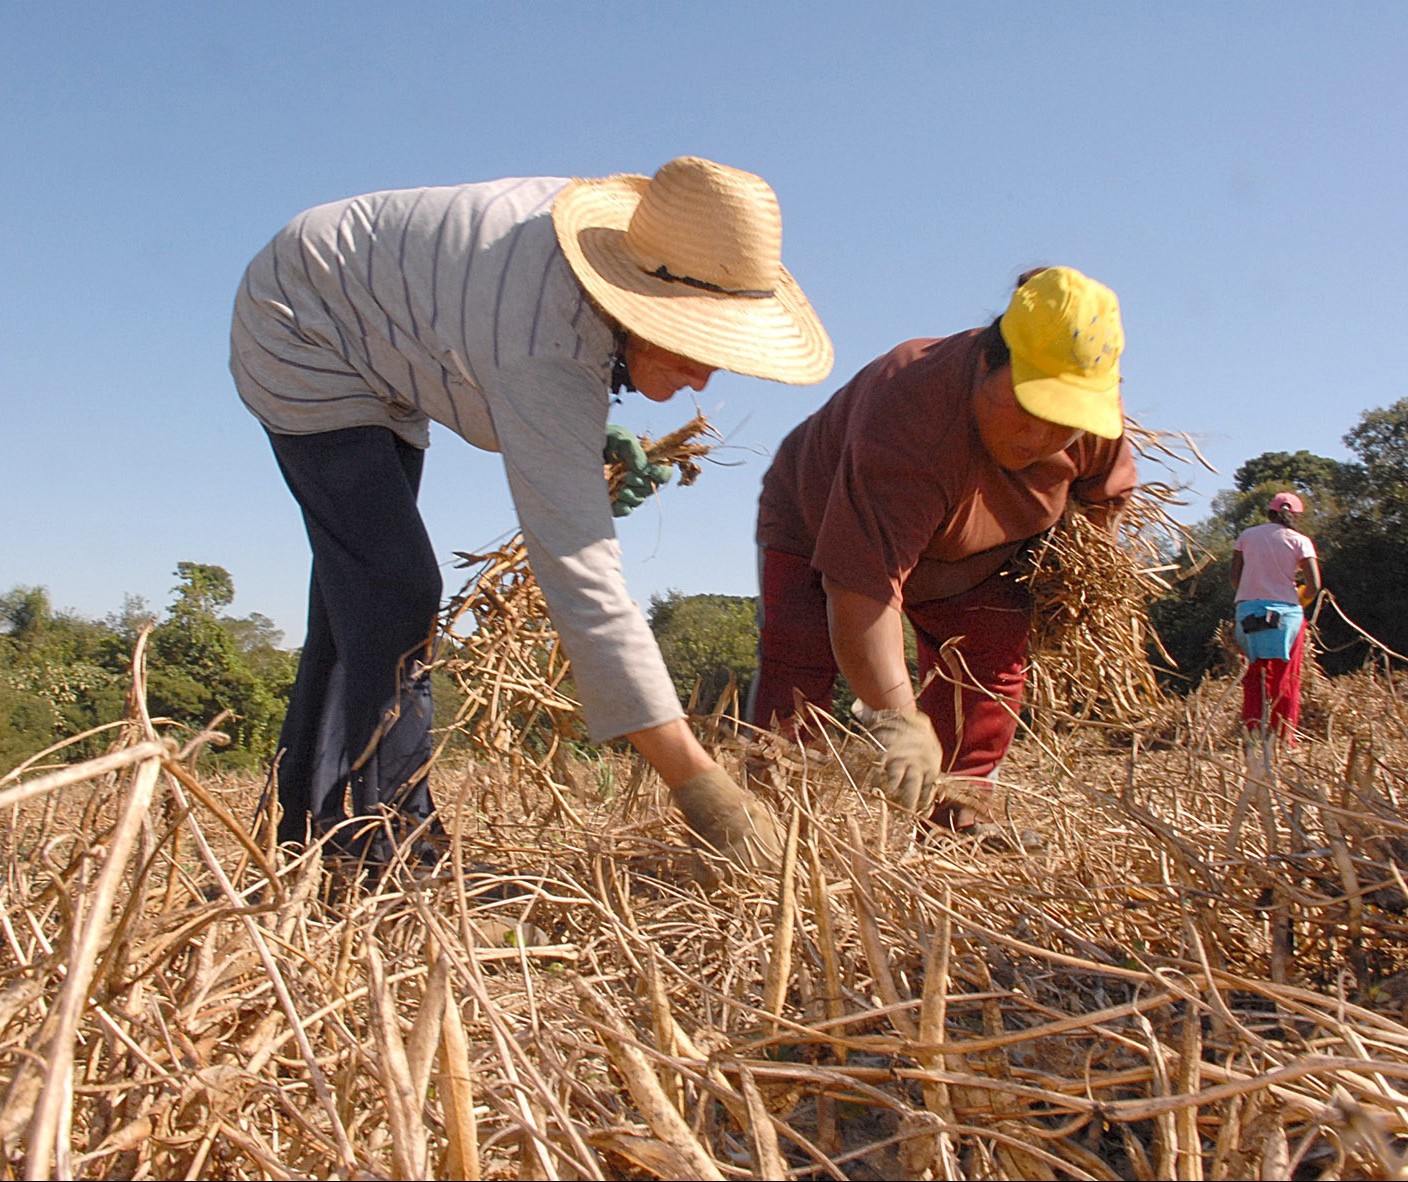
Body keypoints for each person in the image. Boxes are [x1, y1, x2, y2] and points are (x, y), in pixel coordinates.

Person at [230, 156, 833, 870]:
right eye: (697, 343)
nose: (706, 375)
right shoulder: (543, 337)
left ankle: (313, 837)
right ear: (638, 300)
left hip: (376, 324)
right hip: (303, 325)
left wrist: (584, 435)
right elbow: (582, 578)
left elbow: (514, 366)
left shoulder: (608, 270)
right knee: (393, 591)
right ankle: (397, 851)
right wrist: (702, 788)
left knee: (356, 602)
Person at [748, 266, 1137, 836]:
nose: (1040, 438)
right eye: (1028, 407)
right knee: (799, 664)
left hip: (976, 554)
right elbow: (863, 590)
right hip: (816, 524)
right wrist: (896, 718)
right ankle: (766, 820)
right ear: (986, 361)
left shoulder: (1095, 426)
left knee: (989, 669)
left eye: (1064, 423)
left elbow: (1102, 505)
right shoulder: (911, 409)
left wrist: (1068, 580)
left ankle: (960, 814)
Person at [1230, 491, 1321, 745]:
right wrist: (1301, 598)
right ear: (1295, 516)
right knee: (1286, 679)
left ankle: (1252, 735)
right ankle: (1283, 739)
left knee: (1253, 677)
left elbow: (1234, 578)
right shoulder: (1300, 541)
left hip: (1248, 612)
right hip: (1286, 616)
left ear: (1269, 513)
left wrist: (1252, 592)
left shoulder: (1247, 536)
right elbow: (1314, 585)